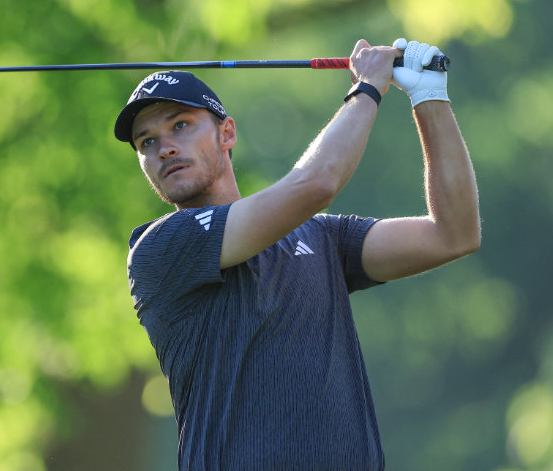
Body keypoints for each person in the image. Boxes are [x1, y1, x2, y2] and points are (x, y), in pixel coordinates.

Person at [112, 38, 481, 470]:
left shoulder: (321, 238)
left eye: (180, 126)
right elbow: (317, 183)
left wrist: (429, 97)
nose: (165, 148)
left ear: (226, 133)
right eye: (146, 142)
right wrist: (366, 88)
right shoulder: (160, 248)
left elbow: (454, 234)